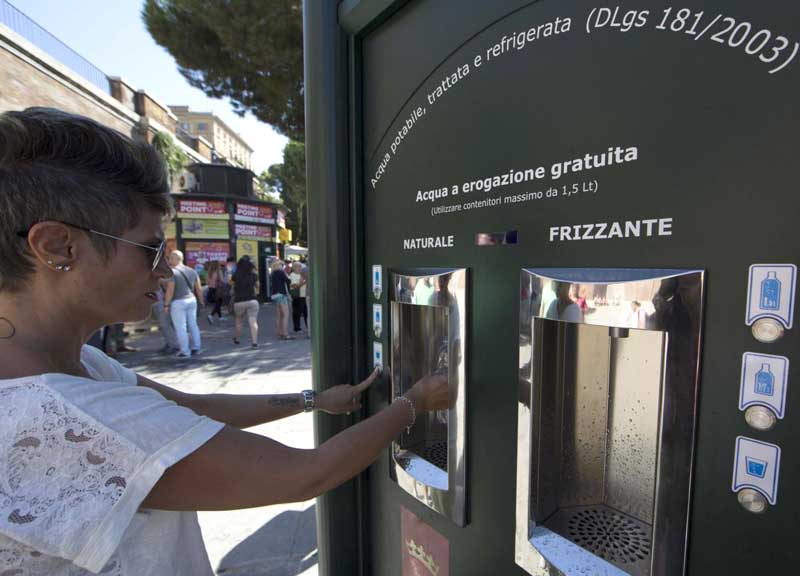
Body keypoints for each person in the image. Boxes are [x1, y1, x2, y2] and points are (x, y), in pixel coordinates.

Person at [0, 108, 448, 576]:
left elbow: (196, 407)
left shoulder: (79, 364)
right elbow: (306, 473)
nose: (165, 271)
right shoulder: (49, 419)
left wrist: (313, 401)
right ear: (57, 246)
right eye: (150, 249)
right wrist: (416, 402)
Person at [164, 250, 203, 357]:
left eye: (170, 258)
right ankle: (196, 347)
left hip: (178, 302)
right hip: (192, 300)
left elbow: (170, 290)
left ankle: (185, 351)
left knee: (180, 327)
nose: (169, 260)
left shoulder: (172, 272)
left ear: (175, 259)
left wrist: (166, 304)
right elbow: (198, 288)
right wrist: (201, 301)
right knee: (193, 324)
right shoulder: (192, 271)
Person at [231, 256, 260, 347]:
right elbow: (258, 287)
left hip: (239, 301)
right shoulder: (254, 275)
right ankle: (254, 342)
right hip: (252, 300)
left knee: (239, 321)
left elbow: (231, 285)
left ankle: (237, 338)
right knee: (253, 321)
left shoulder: (236, 275)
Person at [269, 259, 293, 340]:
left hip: (275, 294)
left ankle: (279, 332)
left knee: (279, 315)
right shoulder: (281, 272)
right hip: (281, 294)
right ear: (279, 265)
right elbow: (288, 281)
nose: (283, 266)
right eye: (282, 265)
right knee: (286, 314)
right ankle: (285, 333)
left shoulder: (272, 273)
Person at [289, 261, 308, 336]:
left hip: (304, 295)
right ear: (294, 268)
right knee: (297, 312)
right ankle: (297, 328)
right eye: (298, 267)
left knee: (306, 312)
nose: (300, 268)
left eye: (300, 266)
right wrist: (304, 282)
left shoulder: (302, 274)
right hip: (297, 296)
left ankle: (308, 327)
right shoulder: (292, 275)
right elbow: (294, 286)